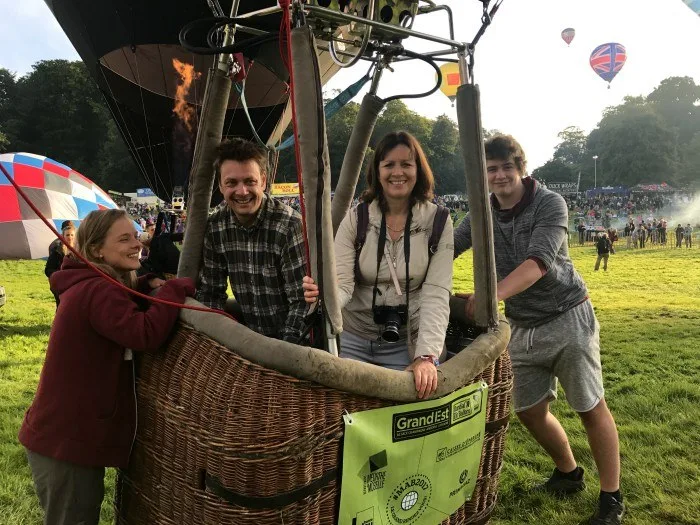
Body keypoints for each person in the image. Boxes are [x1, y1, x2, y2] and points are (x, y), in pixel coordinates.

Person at [453, 135, 624, 524]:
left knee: (590, 406)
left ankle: (611, 497)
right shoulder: (481, 210)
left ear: (521, 168)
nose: (499, 176)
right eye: (490, 169)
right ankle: (568, 472)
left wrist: (489, 295)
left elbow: (539, 261)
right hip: (521, 324)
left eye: (505, 168)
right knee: (529, 410)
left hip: (567, 317)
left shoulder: (550, 202)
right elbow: (447, 245)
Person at [19, 209, 195, 525]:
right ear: (98, 249)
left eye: (136, 235)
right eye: (124, 238)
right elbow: (144, 334)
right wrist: (173, 289)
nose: (137, 244)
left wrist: (142, 284)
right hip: (66, 447)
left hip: (63, 439)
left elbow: (119, 303)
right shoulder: (98, 290)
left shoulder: (92, 284)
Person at [302, 131, 453, 399]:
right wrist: (322, 297)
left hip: (408, 340)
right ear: (377, 171)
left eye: (406, 164)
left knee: (404, 413)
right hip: (355, 336)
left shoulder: (438, 221)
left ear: (418, 169)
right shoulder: (356, 219)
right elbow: (343, 284)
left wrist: (426, 354)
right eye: (389, 165)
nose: (398, 172)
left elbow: (436, 291)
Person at [196, 138, 308, 343]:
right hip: (250, 339)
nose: (242, 192)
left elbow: (301, 303)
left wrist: (285, 351)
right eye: (231, 183)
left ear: (263, 181)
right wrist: (214, 340)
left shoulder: (289, 226)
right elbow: (211, 294)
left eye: (250, 181)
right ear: (220, 185)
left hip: (293, 343)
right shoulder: (215, 227)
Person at [44, 220, 76, 306]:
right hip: (61, 286)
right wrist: (59, 274)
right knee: (62, 307)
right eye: (67, 235)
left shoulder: (80, 250)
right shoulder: (56, 250)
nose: (70, 237)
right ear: (63, 236)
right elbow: (48, 270)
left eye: (72, 235)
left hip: (76, 285)